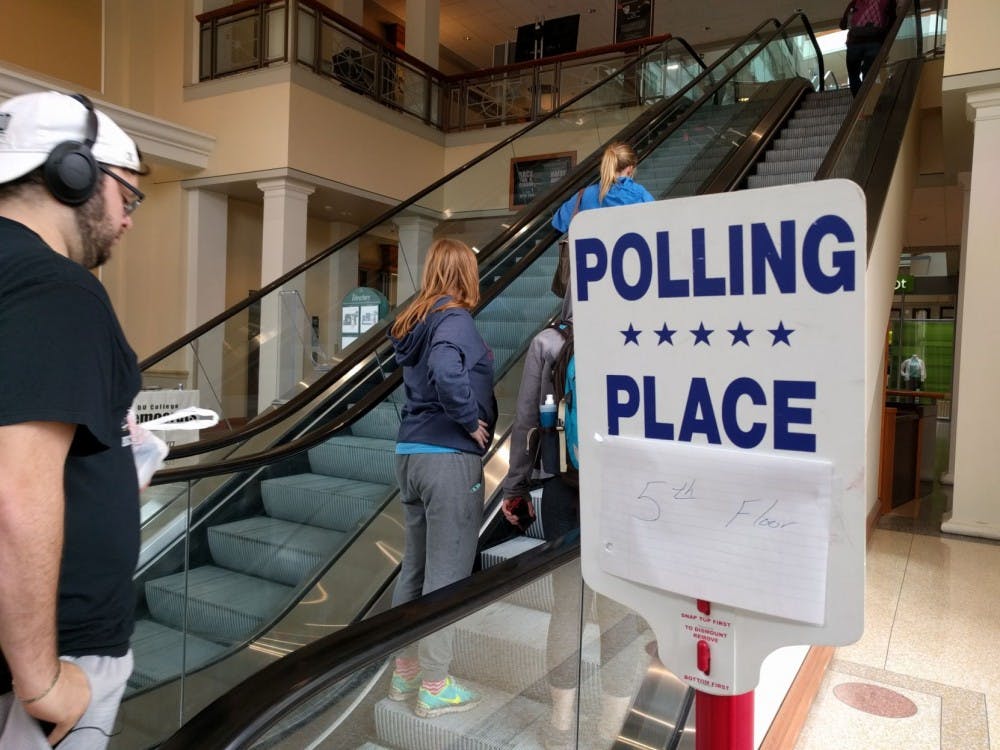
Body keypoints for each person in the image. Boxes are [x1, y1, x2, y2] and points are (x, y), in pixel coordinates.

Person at [0, 91, 147, 749]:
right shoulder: (54, 287)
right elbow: (14, 493)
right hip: (47, 658)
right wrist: (40, 682)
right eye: (127, 196)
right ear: (74, 173)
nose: (128, 220)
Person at [386, 238, 497, 718]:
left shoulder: (417, 320)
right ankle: (434, 683)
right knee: (447, 573)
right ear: (465, 272)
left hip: (411, 453)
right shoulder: (455, 319)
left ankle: (405, 671)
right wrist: (470, 420)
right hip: (447, 458)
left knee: (415, 568)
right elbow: (446, 370)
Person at [551, 141, 655, 237]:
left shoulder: (585, 195)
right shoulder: (641, 195)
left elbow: (559, 222)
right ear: (630, 169)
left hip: (592, 251)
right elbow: (656, 225)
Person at [840, 0, 897, 96]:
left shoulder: (855, 2)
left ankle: (858, 100)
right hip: (875, 41)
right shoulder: (887, 2)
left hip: (854, 42)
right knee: (869, 75)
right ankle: (867, 98)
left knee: (853, 76)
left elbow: (843, 25)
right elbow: (892, 21)